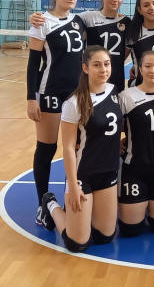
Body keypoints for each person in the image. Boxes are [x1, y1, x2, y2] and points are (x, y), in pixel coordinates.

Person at [40, 45, 122, 251]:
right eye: (97, 65)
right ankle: (50, 203)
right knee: (77, 243)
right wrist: (73, 186)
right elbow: (68, 148)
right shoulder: (74, 102)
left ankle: (84, 216)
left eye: (107, 64)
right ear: (85, 68)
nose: (103, 70)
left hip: (108, 172)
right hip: (83, 175)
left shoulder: (114, 91)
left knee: (105, 237)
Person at [27, 0, 85, 230]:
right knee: (47, 148)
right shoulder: (42, 22)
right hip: (50, 91)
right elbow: (33, 64)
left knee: (76, 147)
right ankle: (43, 205)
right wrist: (31, 98)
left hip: (77, 94)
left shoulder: (79, 21)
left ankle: (73, 195)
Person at [117, 51, 154, 236]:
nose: (153, 71)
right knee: (130, 230)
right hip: (135, 170)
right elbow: (111, 125)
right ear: (140, 69)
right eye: (148, 66)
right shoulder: (126, 96)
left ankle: (148, 205)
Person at [31, 0, 130, 90]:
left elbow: (128, 48)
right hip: (92, 78)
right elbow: (62, 18)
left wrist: (116, 60)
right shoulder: (88, 17)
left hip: (116, 76)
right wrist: (36, 17)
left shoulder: (126, 22)